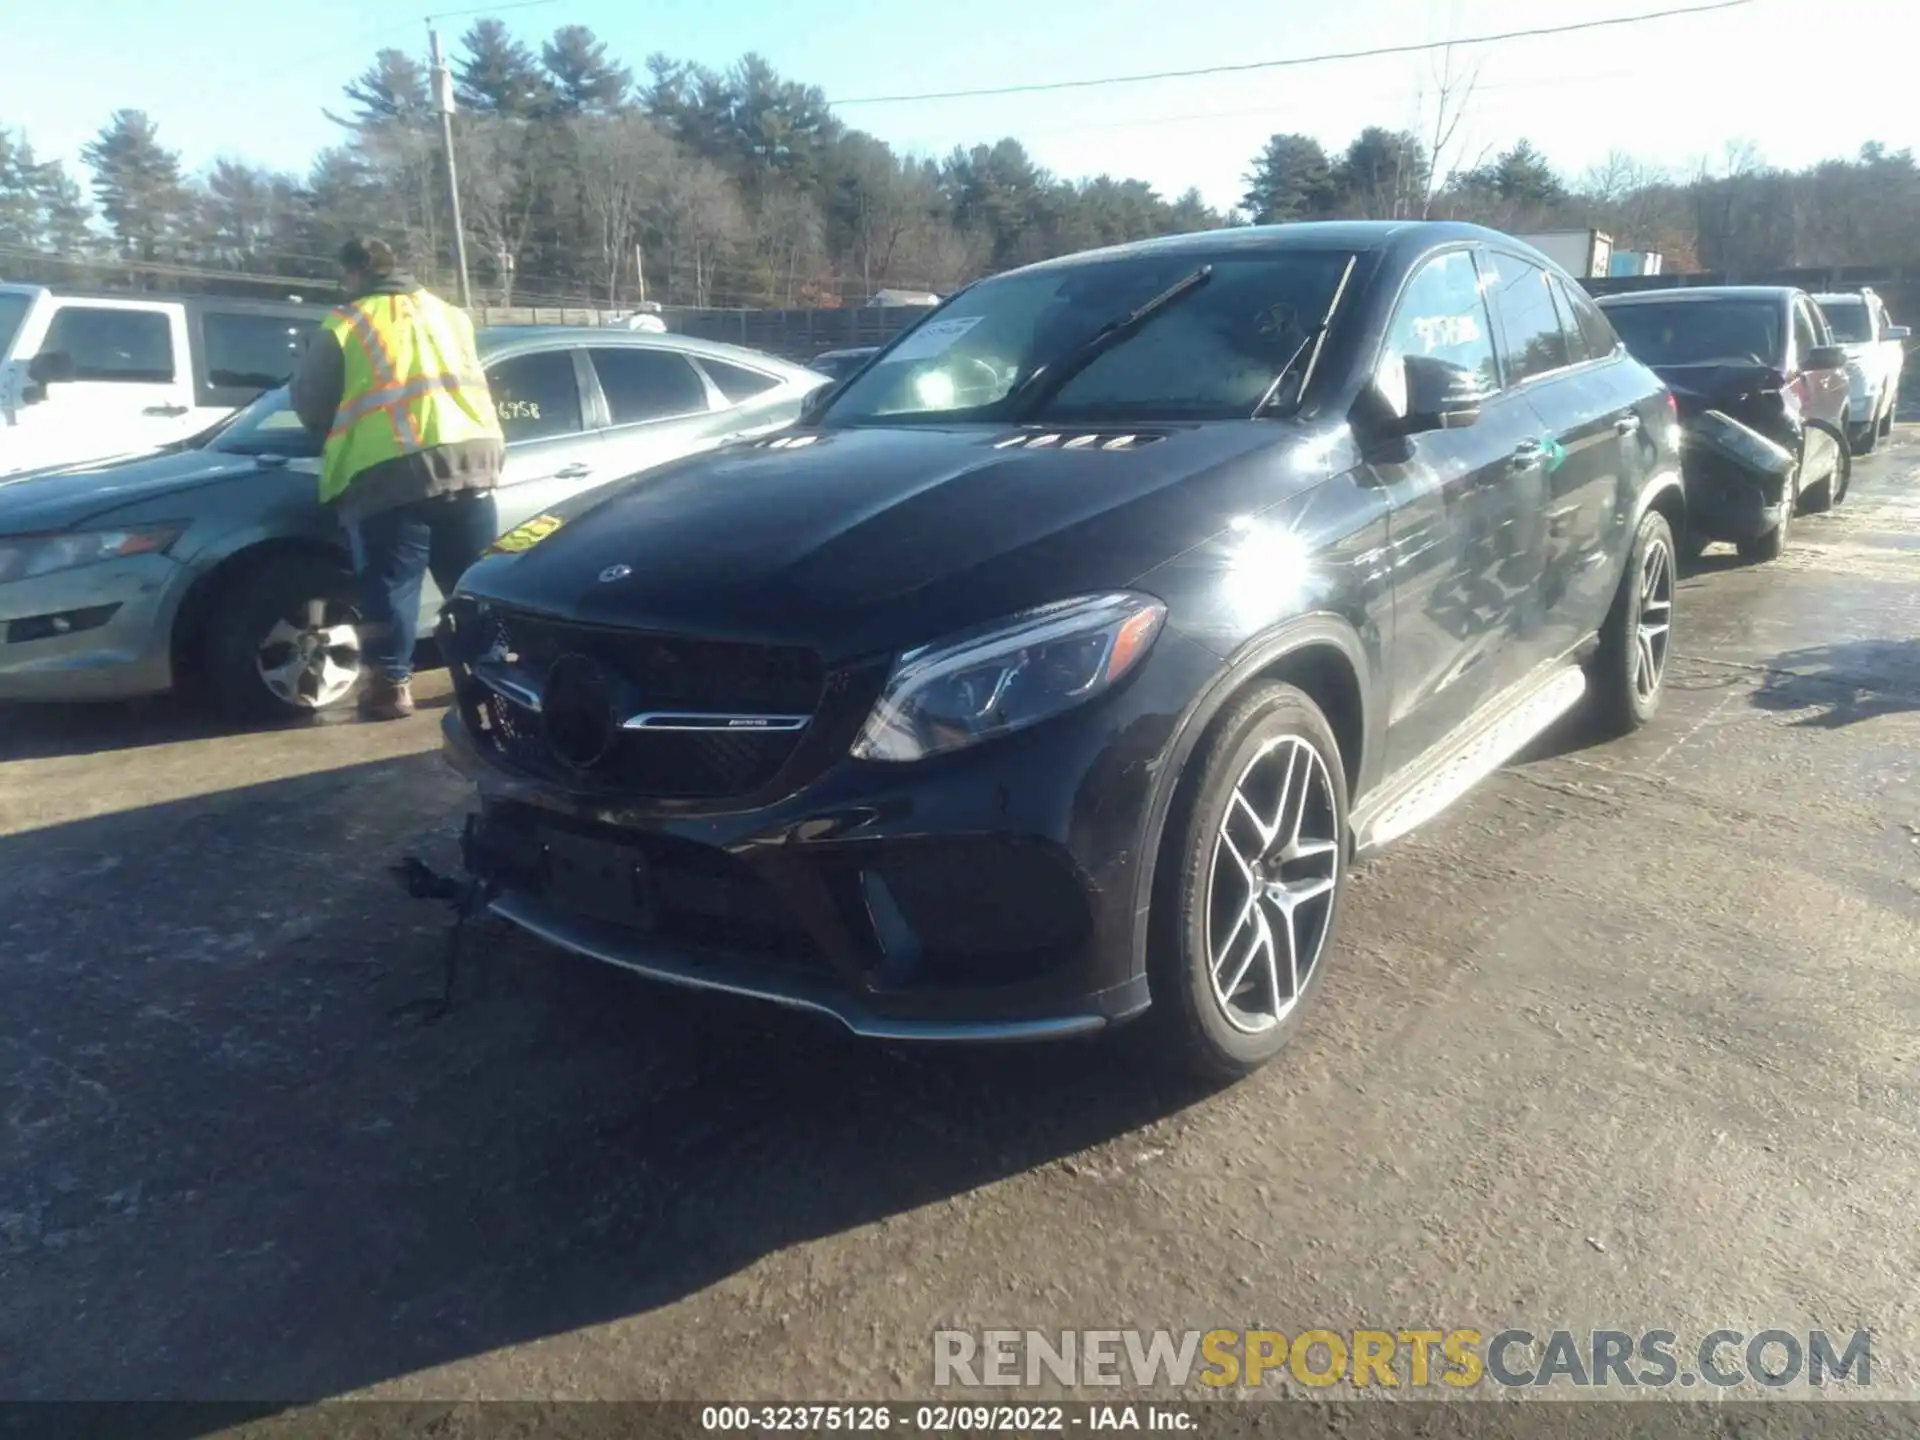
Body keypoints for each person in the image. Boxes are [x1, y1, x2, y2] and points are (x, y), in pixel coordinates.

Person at [291, 237, 506, 720]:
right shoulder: (451, 314)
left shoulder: (346, 324)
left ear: (354, 274)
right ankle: (491, 681)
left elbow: (311, 404)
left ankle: (391, 685)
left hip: (392, 470)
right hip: (473, 460)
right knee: (473, 584)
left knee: (391, 587)